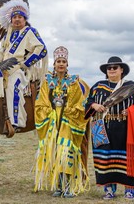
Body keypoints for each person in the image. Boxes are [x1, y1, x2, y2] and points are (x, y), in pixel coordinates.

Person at [84, 56, 134, 200]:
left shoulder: (131, 87)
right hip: (102, 128)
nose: (112, 70)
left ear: (122, 70)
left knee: (128, 158)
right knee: (106, 159)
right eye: (109, 68)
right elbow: (87, 102)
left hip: (126, 128)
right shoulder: (98, 86)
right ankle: (109, 190)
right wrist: (94, 105)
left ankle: (130, 189)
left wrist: (132, 110)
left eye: (115, 67)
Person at [33, 46, 89, 198]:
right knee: (54, 152)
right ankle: (58, 185)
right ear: (54, 64)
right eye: (58, 61)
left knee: (67, 152)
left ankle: (69, 186)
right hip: (52, 121)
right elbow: (40, 102)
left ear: (67, 64)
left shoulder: (73, 82)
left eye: (64, 61)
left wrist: (68, 111)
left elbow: (79, 103)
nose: (61, 64)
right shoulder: (47, 82)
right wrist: (50, 112)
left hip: (67, 122)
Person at [0, 0, 48, 132]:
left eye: (20, 17)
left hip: (18, 70)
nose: (17, 20)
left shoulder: (29, 32)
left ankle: (16, 122)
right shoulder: (7, 34)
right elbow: (1, 52)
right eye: (14, 17)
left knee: (12, 86)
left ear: (24, 19)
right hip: (2, 68)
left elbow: (42, 49)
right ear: (11, 19)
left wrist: (25, 64)